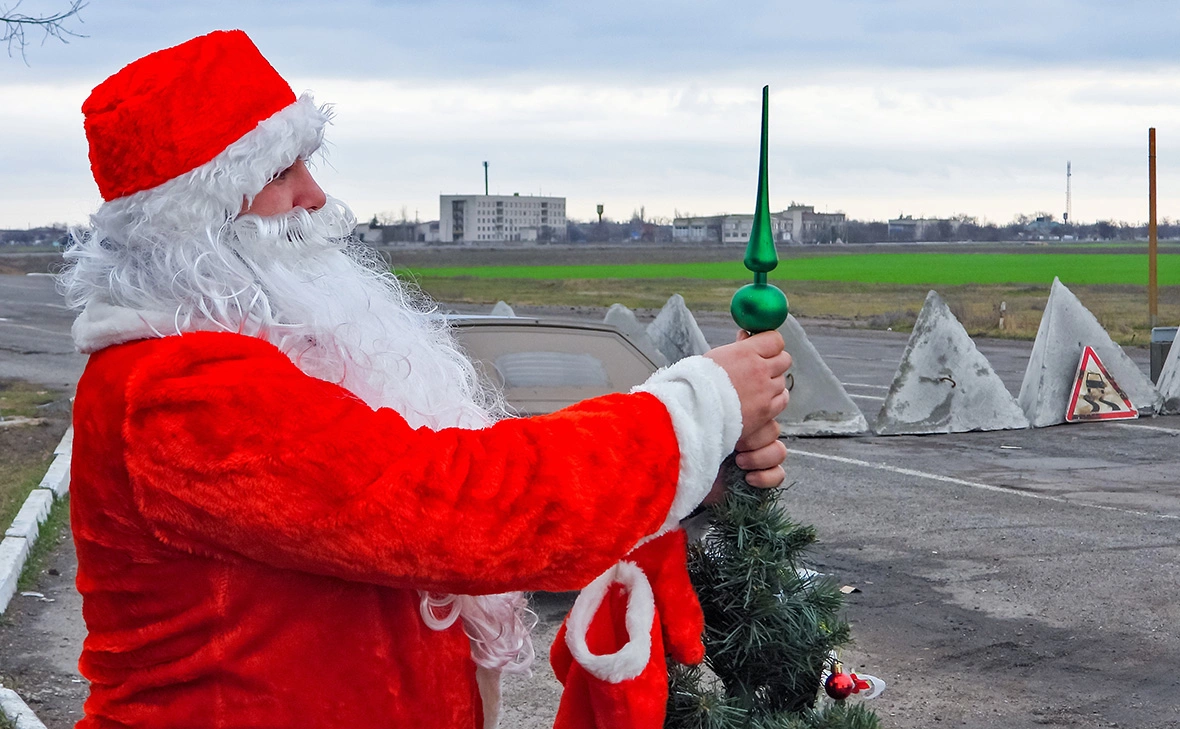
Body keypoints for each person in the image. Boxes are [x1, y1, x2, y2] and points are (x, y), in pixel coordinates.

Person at [61, 30, 791, 729]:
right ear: (197, 220)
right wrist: (697, 407)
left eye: (307, 163)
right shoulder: (179, 390)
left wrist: (705, 467)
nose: (314, 195)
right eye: (280, 174)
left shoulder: (254, 357)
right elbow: (458, 507)